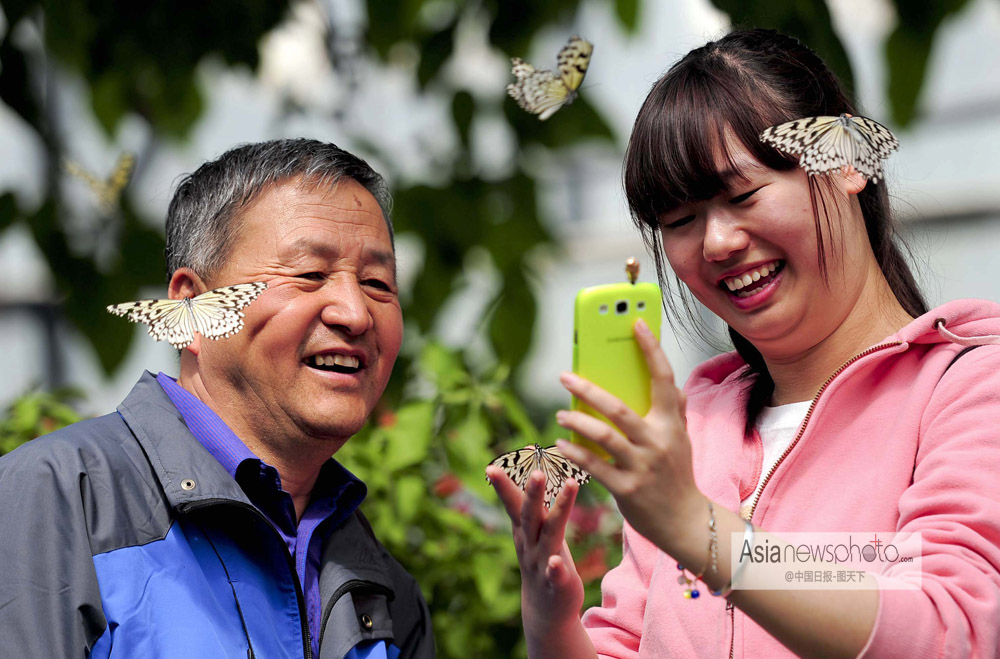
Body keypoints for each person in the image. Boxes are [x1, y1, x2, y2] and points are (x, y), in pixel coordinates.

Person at [487, 29, 1000, 658]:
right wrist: (552, 625)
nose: (717, 243)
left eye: (744, 195)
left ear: (844, 161)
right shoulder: (695, 427)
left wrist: (698, 532)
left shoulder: (971, 389)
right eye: (679, 221)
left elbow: (954, 630)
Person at [0, 139, 435, 658]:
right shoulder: (61, 499)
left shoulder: (382, 583)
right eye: (310, 275)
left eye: (377, 283)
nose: (355, 313)